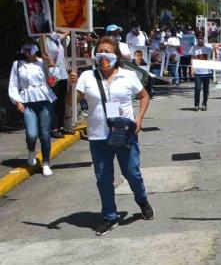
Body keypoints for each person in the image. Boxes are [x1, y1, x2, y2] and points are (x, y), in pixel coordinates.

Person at [69, 36, 154, 236]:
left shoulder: (128, 75)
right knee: (103, 178)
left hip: (125, 134)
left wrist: (139, 118)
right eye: (100, 52)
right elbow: (71, 104)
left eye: (108, 51)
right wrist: (70, 86)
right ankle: (109, 216)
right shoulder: (86, 77)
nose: (104, 55)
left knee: (132, 173)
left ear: (116, 55)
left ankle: (141, 199)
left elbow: (144, 96)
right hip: (99, 136)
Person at [8, 41, 59, 177]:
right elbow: (13, 84)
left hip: (44, 100)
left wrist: (51, 64)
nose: (27, 51)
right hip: (27, 102)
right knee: (31, 133)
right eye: (25, 49)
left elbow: (54, 80)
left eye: (30, 49)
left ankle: (46, 163)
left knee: (45, 135)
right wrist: (17, 101)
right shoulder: (17, 64)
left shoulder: (43, 62)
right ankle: (31, 151)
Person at [45, 31, 73, 138]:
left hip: (63, 74)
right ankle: (53, 128)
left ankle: (62, 127)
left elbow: (66, 33)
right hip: (53, 75)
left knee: (62, 101)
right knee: (54, 102)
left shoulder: (57, 39)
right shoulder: (45, 41)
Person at [190, 33, 214, 111]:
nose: (200, 40)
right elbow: (192, 58)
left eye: (201, 38)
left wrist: (215, 48)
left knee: (205, 89)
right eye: (198, 38)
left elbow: (214, 57)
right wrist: (192, 69)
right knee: (197, 88)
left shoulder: (208, 48)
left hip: (206, 72)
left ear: (203, 39)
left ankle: (204, 104)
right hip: (197, 72)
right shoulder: (194, 48)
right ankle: (196, 104)